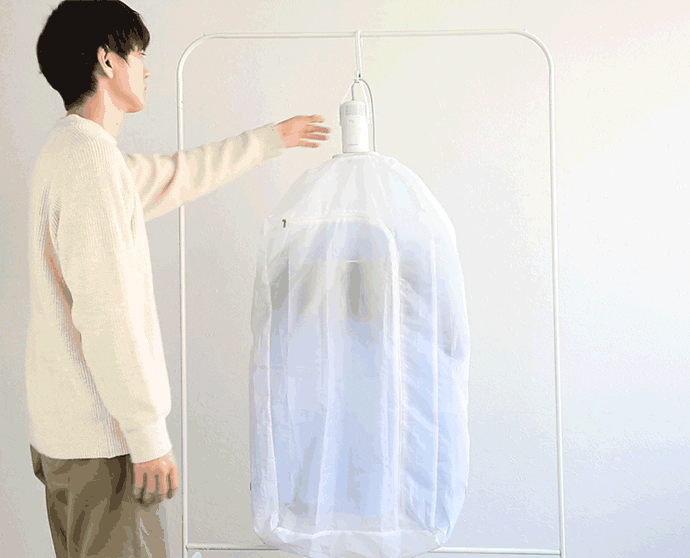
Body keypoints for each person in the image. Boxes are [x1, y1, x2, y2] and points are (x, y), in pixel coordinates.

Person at [27, 1, 330, 556]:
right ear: (107, 60)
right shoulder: (91, 165)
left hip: (71, 441)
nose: (147, 70)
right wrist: (147, 435)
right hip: (104, 446)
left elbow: (176, 175)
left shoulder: (73, 152)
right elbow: (108, 312)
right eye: (140, 55)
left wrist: (272, 138)